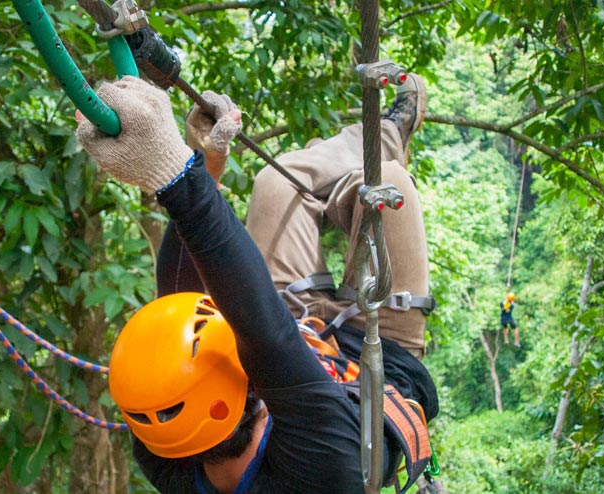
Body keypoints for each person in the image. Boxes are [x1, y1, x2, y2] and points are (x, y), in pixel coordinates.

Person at [75, 74, 438, 494]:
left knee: (276, 182)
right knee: (383, 183)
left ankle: (367, 152)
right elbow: (267, 333)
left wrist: (202, 166)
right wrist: (173, 175)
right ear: (253, 386)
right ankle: (388, 136)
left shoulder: (165, 442)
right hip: (380, 361)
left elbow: (176, 305)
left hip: (300, 327)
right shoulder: (319, 466)